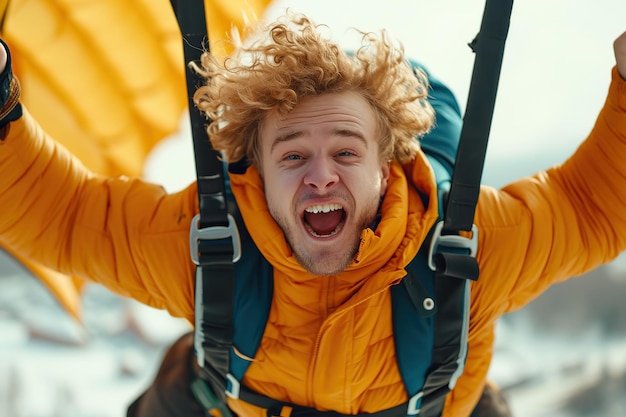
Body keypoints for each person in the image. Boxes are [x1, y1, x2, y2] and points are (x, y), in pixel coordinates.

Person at [1, 10, 625, 417]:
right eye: (292, 154)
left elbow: (593, 208)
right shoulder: (208, 245)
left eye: (346, 151)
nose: (320, 175)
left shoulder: (467, 245)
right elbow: (62, 216)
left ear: (386, 165)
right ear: (258, 176)